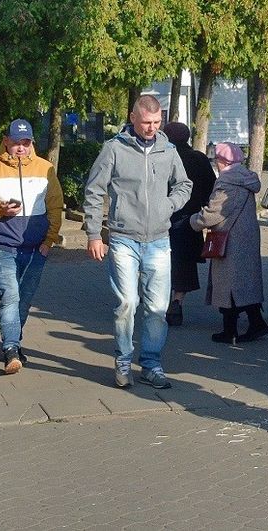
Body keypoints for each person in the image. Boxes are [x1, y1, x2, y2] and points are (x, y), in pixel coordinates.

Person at [83, 95, 192, 390]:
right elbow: (94, 190)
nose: (151, 128)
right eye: (146, 122)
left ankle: (151, 364)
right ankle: (122, 360)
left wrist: (168, 205)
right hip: (123, 238)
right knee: (127, 303)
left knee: (157, 308)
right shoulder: (114, 149)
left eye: (157, 123)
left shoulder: (168, 150)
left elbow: (184, 184)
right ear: (133, 117)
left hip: (158, 238)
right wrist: (94, 233)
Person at [0, 118, 63, 374]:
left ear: (31, 143)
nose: (20, 147)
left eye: (26, 142)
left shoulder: (45, 169)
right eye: (16, 142)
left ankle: (14, 342)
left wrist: (49, 240)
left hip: (36, 248)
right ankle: (10, 349)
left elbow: (55, 205)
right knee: (10, 296)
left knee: (25, 299)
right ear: (6, 141)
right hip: (3, 245)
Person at [190, 142, 267, 344]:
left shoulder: (226, 182)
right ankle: (256, 323)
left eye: (217, 159)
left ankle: (230, 330)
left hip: (229, 238)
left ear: (222, 161)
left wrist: (192, 221)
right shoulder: (245, 177)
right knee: (245, 283)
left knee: (229, 285)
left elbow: (214, 213)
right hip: (246, 237)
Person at [163, 122, 216, 327]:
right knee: (183, 262)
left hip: (161, 218)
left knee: (159, 260)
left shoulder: (162, 156)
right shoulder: (198, 159)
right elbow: (211, 187)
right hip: (189, 221)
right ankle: (177, 301)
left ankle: (158, 301)